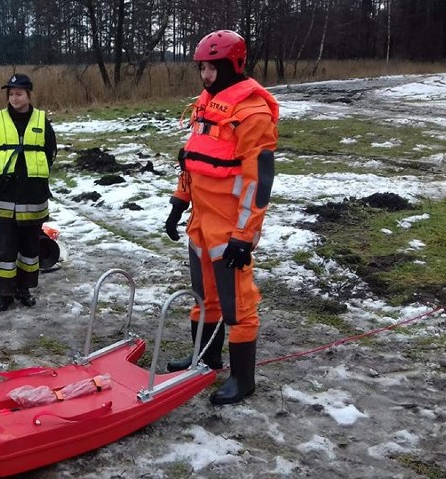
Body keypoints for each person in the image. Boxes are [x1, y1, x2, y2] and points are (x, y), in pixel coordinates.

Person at [163, 30, 278, 405]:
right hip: (200, 221)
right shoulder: (206, 103)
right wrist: (179, 202)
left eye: (213, 68)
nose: (206, 76)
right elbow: (193, 158)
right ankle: (205, 357)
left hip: (230, 226)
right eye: (202, 68)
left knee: (237, 304)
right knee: (203, 296)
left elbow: (256, 180)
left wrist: (245, 236)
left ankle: (243, 379)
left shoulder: (252, 111)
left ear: (234, 65)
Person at [0, 73, 57, 314]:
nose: (14, 98)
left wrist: (31, 172)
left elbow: (49, 150)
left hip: (33, 195)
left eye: (19, 94)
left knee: (29, 249)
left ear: (28, 95)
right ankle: (4, 294)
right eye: (11, 94)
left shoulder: (42, 120)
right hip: (5, 194)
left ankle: (24, 290)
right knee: (4, 250)